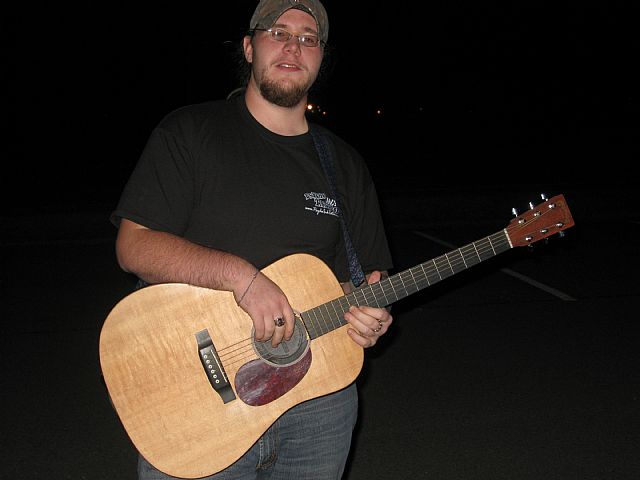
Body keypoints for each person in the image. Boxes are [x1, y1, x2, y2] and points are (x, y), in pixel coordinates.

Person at [111, 0, 394, 478]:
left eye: (308, 38)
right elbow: (133, 245)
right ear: (248, 47)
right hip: (199, 405)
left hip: (318, 406)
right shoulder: (191, 131)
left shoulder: (344, 164)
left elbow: (363, 280)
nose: (293, 46)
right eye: (278, 32)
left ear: (320, 57)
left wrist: (370, 317)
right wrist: (241, 278)